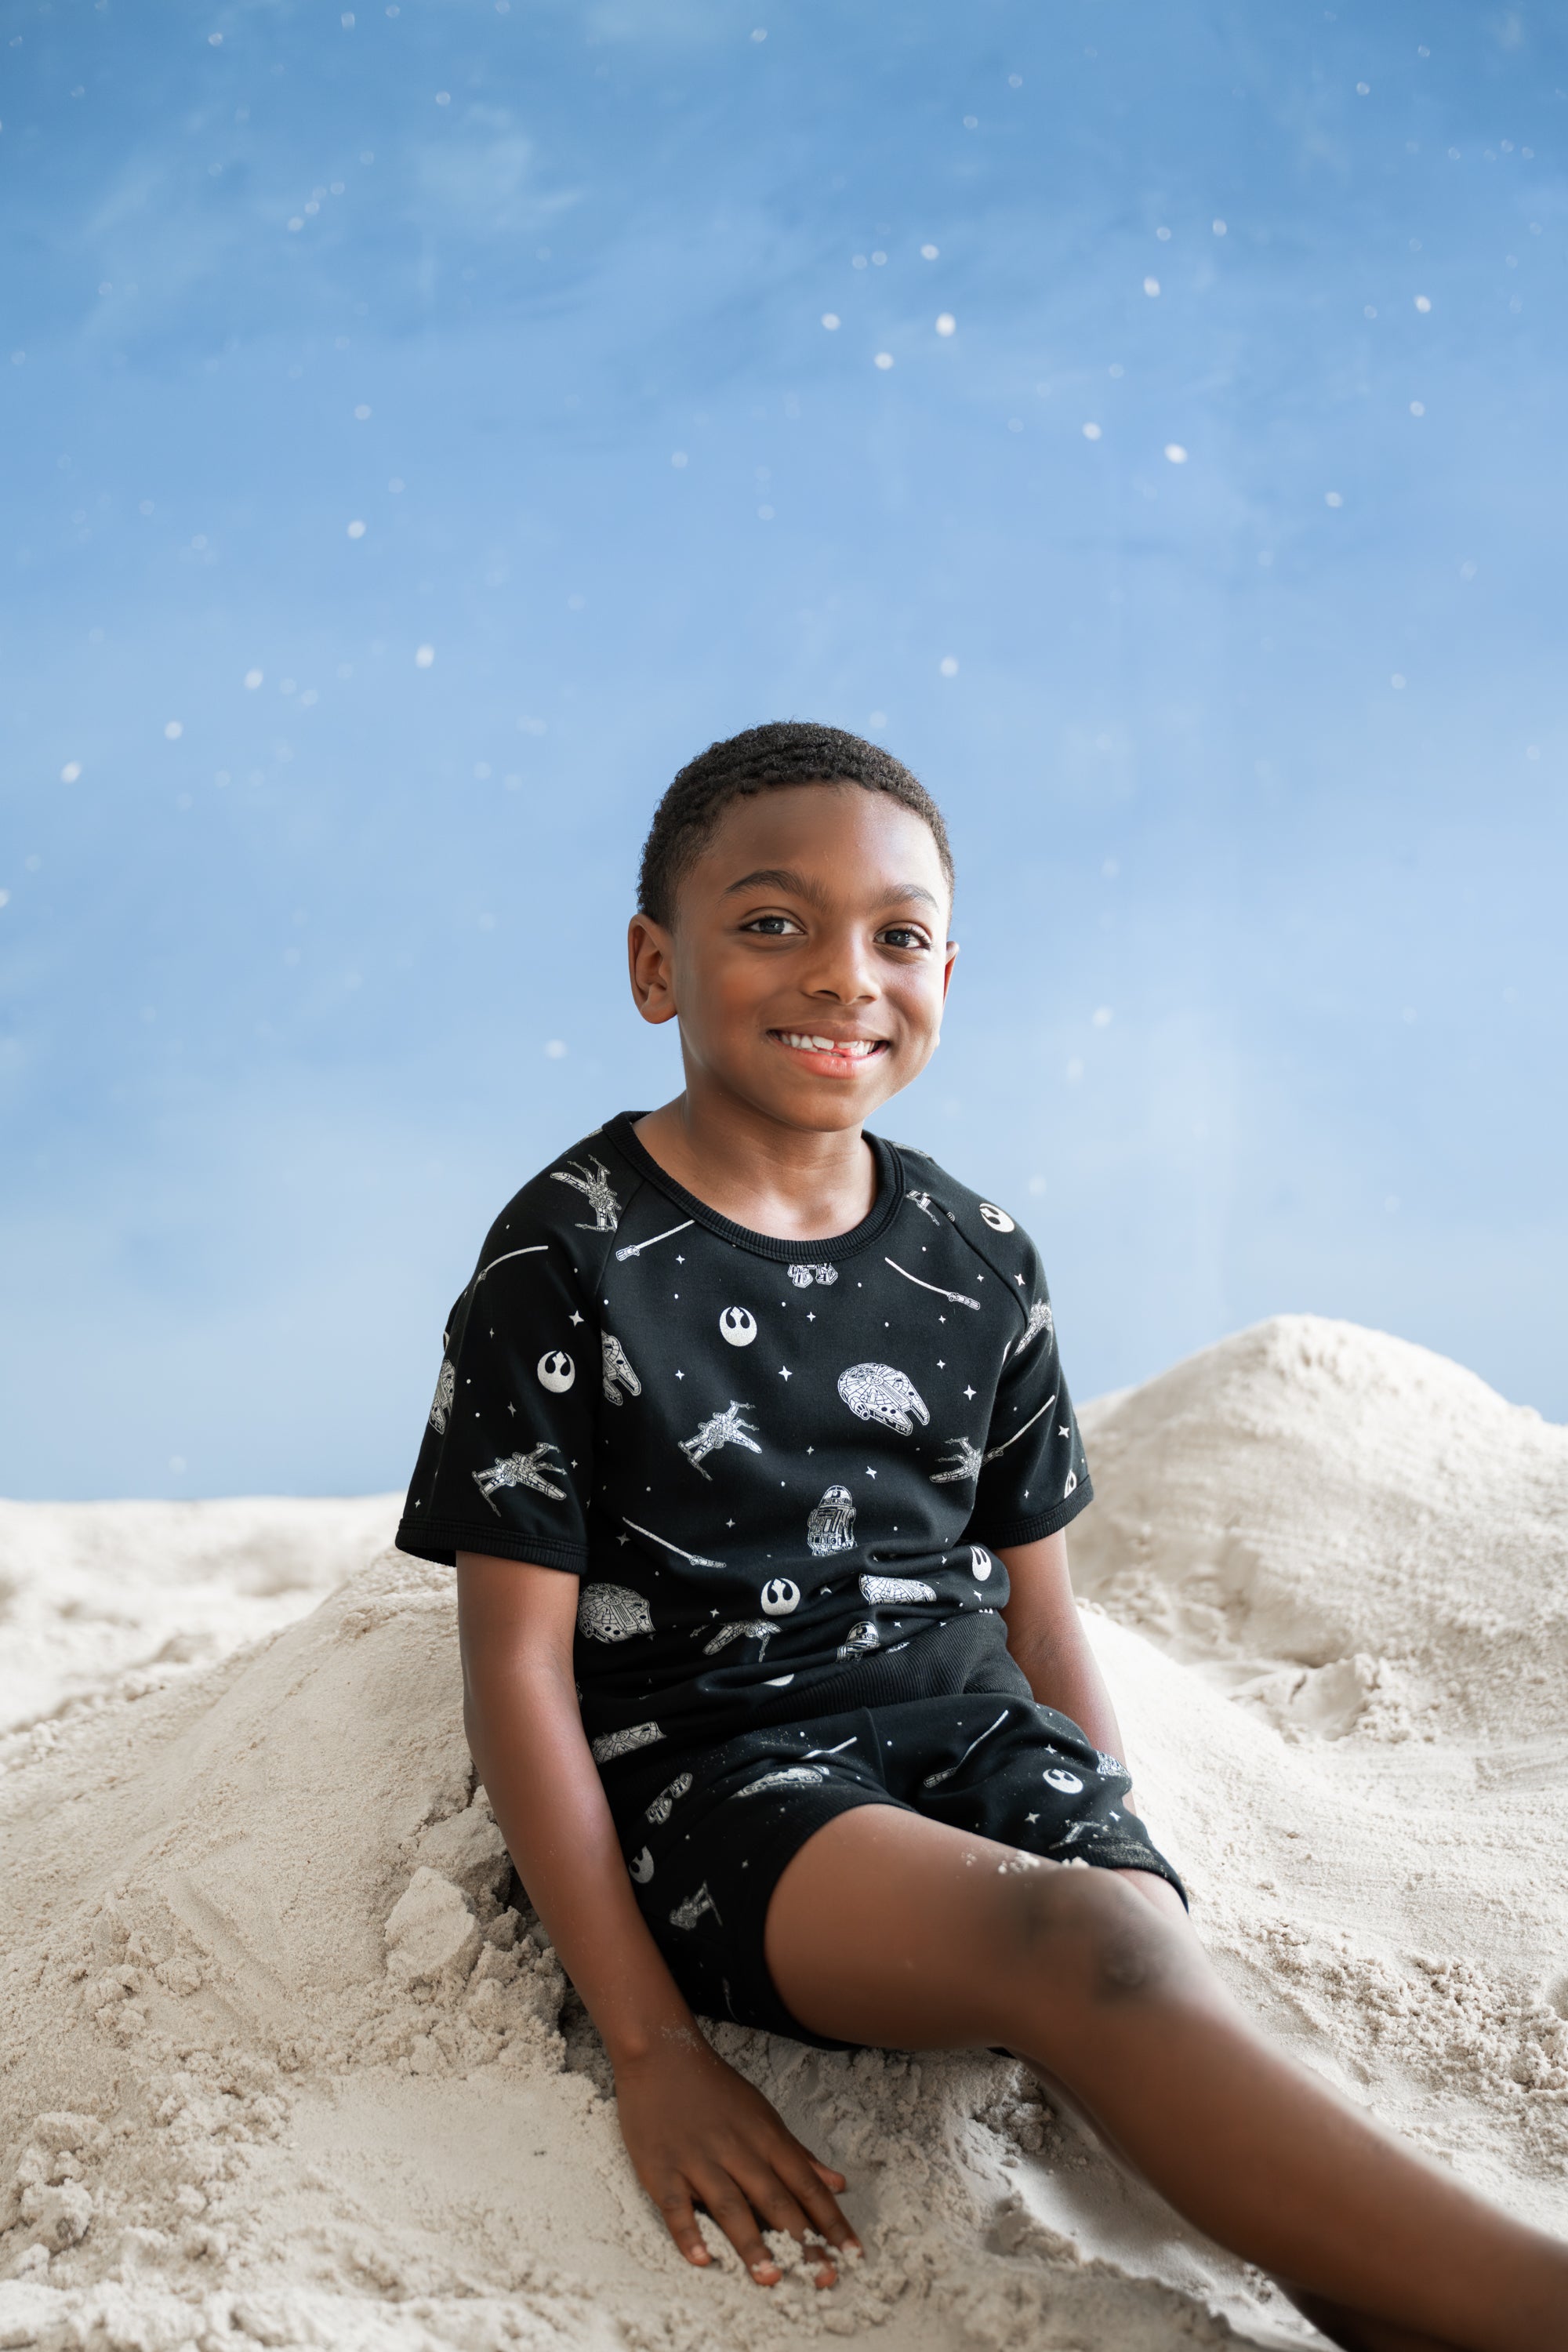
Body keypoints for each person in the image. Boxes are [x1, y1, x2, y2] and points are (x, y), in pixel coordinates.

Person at [396, 722, 1568, 2352]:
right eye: (771, 922)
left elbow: (1039, 1608)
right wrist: (653, 2052)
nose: (841, 976)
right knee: (1082, 1949)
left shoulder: (980, 1255)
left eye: (897, 935)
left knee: (1136, 1959)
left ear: (951, 968)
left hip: (974, 1736)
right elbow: (515, 1673)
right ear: (656, 966)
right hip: (727, 1775)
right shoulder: (567, 1260)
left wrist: (1113, 1833)